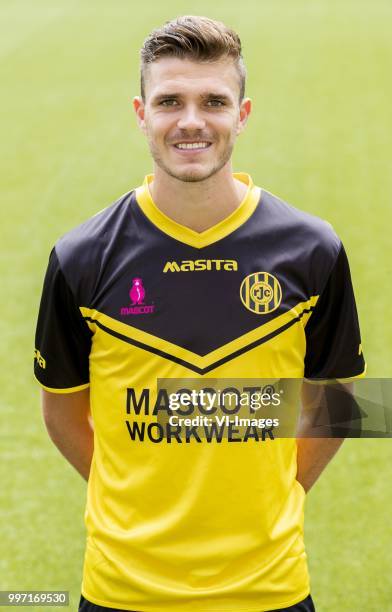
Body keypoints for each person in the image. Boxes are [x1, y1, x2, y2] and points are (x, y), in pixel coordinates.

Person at [34, 15, 366, 612]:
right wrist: (127, 499)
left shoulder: (314, 250)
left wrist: (280, 492)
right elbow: (62, 410)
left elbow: (336, 399)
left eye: (214, 101)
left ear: (242, 114)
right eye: (170, 102)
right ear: (142, 113)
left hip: (270, 588)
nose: (191, 121)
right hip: (121, 590)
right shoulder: (80, 257)